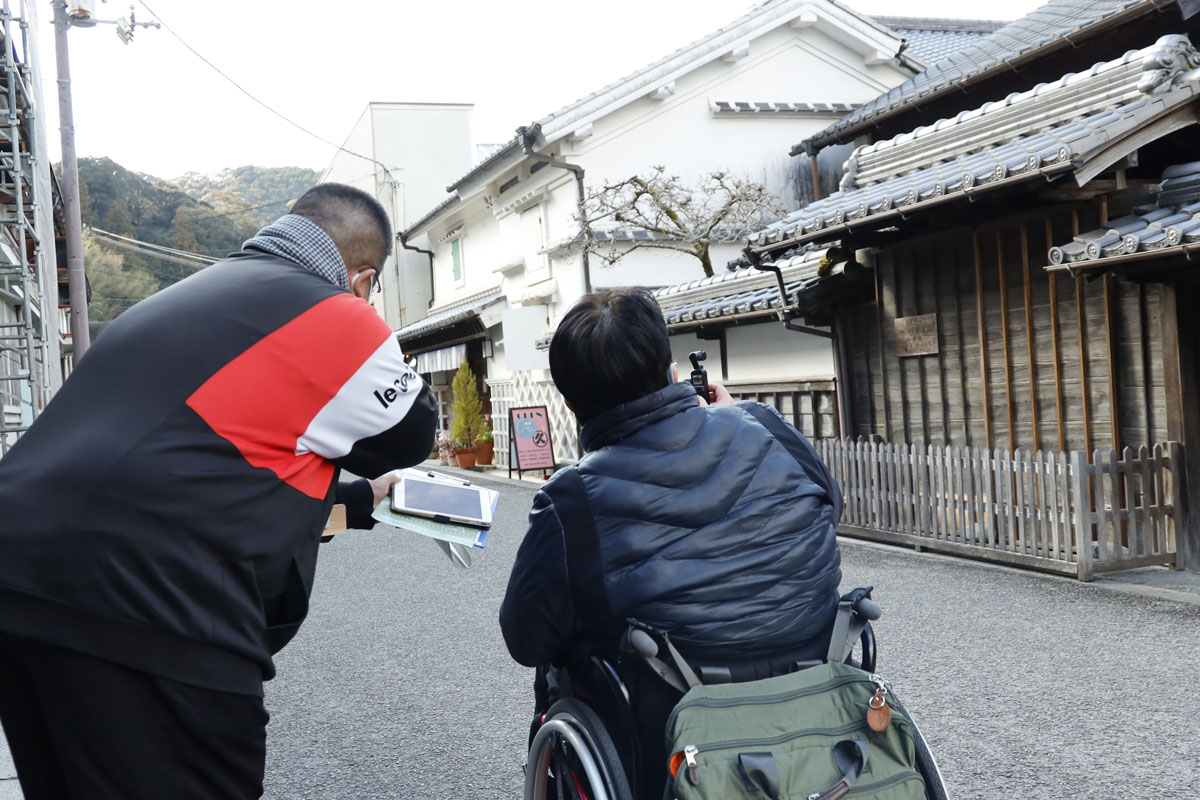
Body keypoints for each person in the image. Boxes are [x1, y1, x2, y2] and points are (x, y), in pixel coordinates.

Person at [0, 183, 437, 799]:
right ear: (362, 280)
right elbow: (411, 432)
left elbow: (208, 460)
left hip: (19, 575)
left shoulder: (178, 300)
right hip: (149, 594)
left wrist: (362, 501)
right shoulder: (336, 314)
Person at [499, 288, 842, 798]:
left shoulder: (571, 502)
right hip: (813, 694)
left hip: (667, 736)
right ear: (673, 371)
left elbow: (526, 639)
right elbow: (827, 508)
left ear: (570, 404)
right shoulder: (764, 426)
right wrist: (740, 417)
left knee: (563, 655)